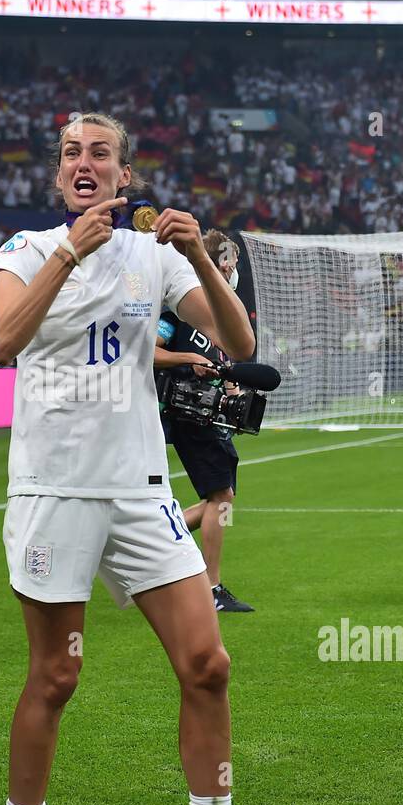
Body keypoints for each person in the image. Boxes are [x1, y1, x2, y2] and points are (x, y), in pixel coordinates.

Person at [0, 111, 255, 805]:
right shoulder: (26, 249)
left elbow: (239, 338)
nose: (86, 162)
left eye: (100, 153)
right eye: (72, 152)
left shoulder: (153, 255)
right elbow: (3, 341)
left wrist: (199, 255)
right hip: (55, 490)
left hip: (140, 491)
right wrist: (66, 257)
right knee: (56, 674)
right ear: (59, 172)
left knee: (208, 665)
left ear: (123, 174)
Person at [154, 229, 252, 613]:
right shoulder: (179, 307)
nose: (235, 267)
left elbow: (220, 361)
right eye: (232, 259)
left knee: (219, 500)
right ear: (222, 262)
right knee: (221, 498)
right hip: (187, 413)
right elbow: (147, 351)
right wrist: (187, 361)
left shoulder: (216, 312)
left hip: (211, 414)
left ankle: (160, 531)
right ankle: (211, 588)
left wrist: (229, 383)